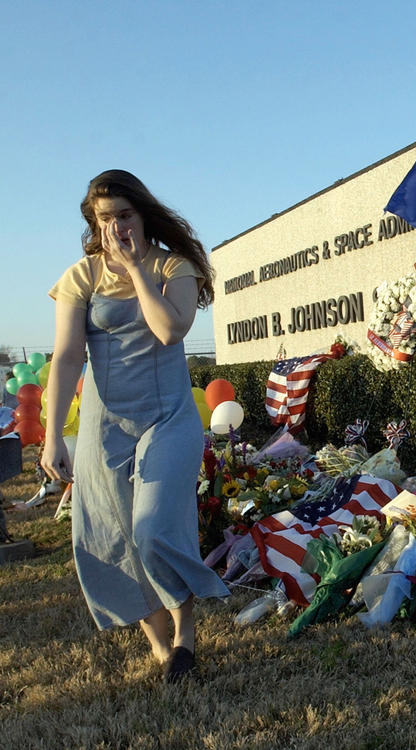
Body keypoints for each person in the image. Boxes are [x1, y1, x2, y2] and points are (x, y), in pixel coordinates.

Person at [41, 170, 228, 683]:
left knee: (153, 529)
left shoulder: (175, 266)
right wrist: (54, 435)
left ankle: (185, 626)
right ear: (94, 224)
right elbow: (65, 358)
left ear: (142, 214)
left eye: (125, 214)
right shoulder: (81, 276)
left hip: (168, 417)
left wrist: (136, 271)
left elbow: (169, 329)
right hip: (106, 426)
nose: (117, 226)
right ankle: (163, 649)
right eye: (105, 219)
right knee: (114, 536)